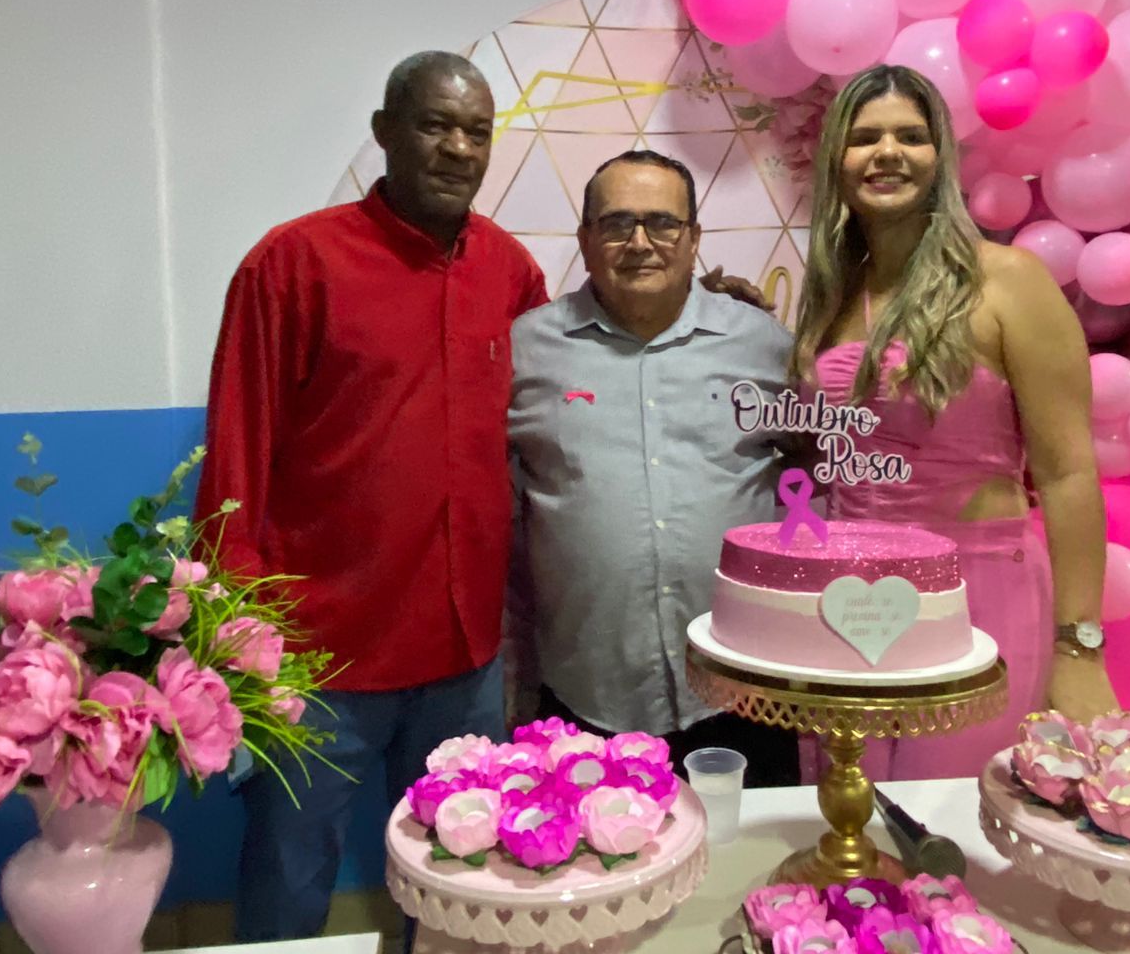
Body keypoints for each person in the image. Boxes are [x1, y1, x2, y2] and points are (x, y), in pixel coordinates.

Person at [195, 51, 548, 941]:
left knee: (461, 889)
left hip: (465, 655)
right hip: (318, 656)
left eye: (477, 132)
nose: (458, 148)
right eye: (436, 125)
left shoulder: (510, 273)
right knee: (287, 878)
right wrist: (238, 639)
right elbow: (236, 459)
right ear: (386, 132)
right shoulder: (293, 264)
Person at [790, 64, 1117, 781]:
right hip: (847, 598)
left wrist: (1080, 649)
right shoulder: (832, 293)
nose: (887, 153)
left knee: (947, 821)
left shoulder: (1008, 281)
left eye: (911, 136)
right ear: (837, 159)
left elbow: (1067, 474)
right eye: (865, 137)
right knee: (848, 811)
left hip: (977, 592)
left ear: (940, 156)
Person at [505, 150, 801, 786]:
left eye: (663, 223)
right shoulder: (525, 350)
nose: (640, 243)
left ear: (694, 239)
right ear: (585, 240)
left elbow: (812, 467)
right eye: (617, 223)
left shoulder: (764, 345)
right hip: (588, 691)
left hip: (747, 687)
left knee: (756, 848)